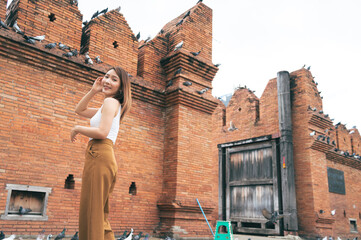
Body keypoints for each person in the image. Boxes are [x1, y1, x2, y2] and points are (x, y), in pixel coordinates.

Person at [70, 66, 132, 240]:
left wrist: (77, 128)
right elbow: (79, 110)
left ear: (121, 87)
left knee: (93, 212)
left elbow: (102, 132)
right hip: (100, 156)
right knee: (98, 214)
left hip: (100, 154)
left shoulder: (110, 103)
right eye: (106, 76)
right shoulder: (108, 105)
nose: (107, 81)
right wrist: (93, 91)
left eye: (114, 79)